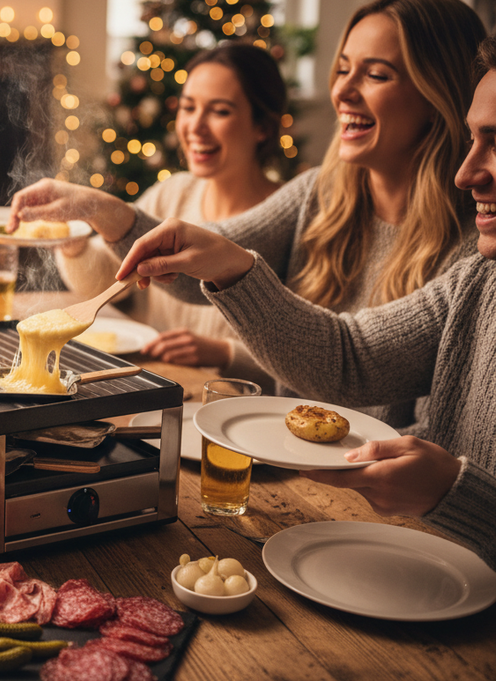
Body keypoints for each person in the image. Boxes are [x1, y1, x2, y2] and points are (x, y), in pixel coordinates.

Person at [111, 29, 496, 571]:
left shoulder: (466, 249)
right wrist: (225, 264)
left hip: (410, 539)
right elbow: (348, 357)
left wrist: (458, 495)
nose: (467, 172)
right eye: (342, 68)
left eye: (377, 73)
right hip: (394, 534)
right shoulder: (481, 275)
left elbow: (410, 432)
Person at [10, 0, 485, 432]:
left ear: (437, 95)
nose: (343, 92)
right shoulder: (320, 191)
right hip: (280, 451)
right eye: (342, 69)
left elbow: (352, 362)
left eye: (376, 74)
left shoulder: (477, 243)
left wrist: (226, 269)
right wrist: (100, 208)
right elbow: (203, 259)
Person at [53, 44, 286, 385]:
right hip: (153, 386)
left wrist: (224, 352)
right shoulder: (173, 193)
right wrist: (72, 241)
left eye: (219, 111)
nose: (195, 127)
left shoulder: (289, 217)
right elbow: (108, 281)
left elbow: (309, 351)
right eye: (188, 107)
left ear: (262, 127)